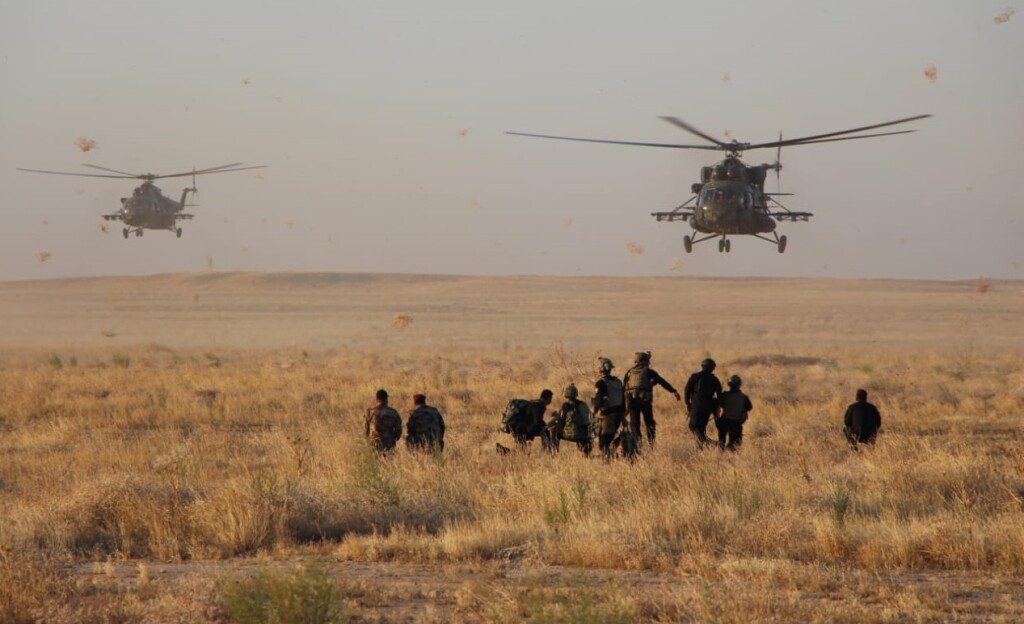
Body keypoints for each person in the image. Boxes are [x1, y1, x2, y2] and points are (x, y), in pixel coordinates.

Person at [623, 351, 681, 448]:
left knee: (634, 424)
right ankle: (651, 445)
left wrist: (624, 406)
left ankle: (637, 444)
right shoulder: (649, 372)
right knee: (649, 422)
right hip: (645, 400)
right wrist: (673, 391)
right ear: (644, 361)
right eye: (648, 360)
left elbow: (624, 388)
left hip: (632, 402)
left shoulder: (629, 372)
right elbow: (662, 381)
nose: (649, 363)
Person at [684, 358, 723, 448]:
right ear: (712, 368)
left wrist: (687, 403)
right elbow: (719, 394)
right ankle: (700, 448)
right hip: (708, 407)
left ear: (702, 366)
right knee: (701, 427)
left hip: (696, 405)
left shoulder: (695, 376)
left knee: (693, 426)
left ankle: (710, 443)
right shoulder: (714, 379)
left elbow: (687, 390)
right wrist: (719, 406)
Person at [592, 358, 626, 459]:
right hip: (618, 415)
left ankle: (608, 461)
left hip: (608, 416)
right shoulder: (618, 382)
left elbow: (598, 401)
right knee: (610, 437)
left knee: (604, 442)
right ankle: (615, 451)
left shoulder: (601, 383)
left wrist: (593, 413)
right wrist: (623, 417)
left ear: (600, 370)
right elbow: (623, 400)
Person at [548, 384, 593, 455]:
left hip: (571, 434)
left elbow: (562, 421)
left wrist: (556, 426)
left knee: (553, 430)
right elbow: (588, 419)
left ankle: (554, 452)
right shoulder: (583, 404)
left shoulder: (566, 405)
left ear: (566, 394)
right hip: (584, 433)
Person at [716, 375, 751, 451]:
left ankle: (721, 451)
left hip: (723, 421)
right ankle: (729, 452)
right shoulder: (743, 397)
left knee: (721, 441)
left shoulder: (724, 395)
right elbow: (749, 407)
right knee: (735, 442)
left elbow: (717, 405)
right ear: (739, 384)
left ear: (729, 385)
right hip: (736, 423)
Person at [364, 389, 402, 453]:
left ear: (376, 399)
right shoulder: (393, 412)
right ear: (386, 399)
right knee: (388, 461)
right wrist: (394, 438)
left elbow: (366, 429)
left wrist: (368, 439)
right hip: (389, 443)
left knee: (374, 461)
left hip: (373, 442)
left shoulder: (370, 412)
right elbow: (398, 430)